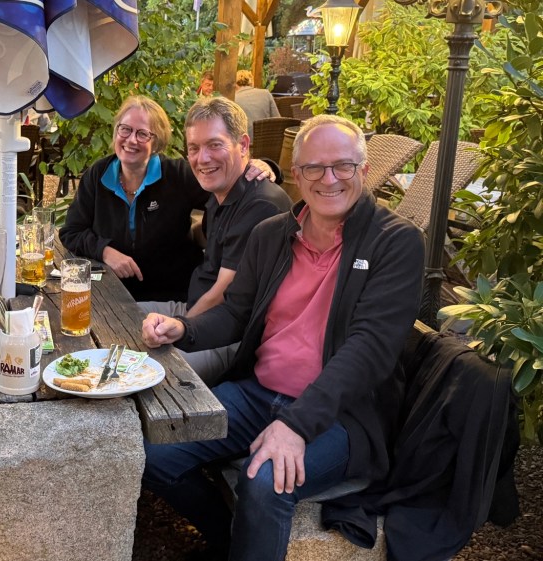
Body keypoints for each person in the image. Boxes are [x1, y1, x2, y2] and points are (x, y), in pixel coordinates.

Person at [139, 115, 425, 560]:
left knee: (267, 480)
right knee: (155, 455)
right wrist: (185, 329)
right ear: (297, 173)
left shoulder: (396, 242)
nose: (329, 179)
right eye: (314, 168)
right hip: (259, 395)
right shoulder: (272, 235)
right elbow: (236, 313)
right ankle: (232, 542)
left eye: (343, 166)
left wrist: (296, 425)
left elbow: (369, 349)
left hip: (341, 415)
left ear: (364, 170)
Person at [59, 95, 273, 303]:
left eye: (143, 134)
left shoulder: (177, 175)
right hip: (111, 294)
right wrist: (105, 252)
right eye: (125, 129)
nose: (131, 140)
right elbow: (72, 231)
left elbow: (228, 187)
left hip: (172, 295)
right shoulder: (98, 175)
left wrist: (266, 166)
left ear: (157, 142)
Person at [138, 97, 292, 384]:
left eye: (214, 144)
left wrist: (180, 327)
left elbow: (222, 294)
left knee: (146, 373)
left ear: (243, 145)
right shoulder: (222, 191)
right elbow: (205, 235)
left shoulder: (259, 205)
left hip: (228, 336)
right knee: (119, 315)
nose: (203, 158)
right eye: (194, 148)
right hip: (194, 311)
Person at [234, 69, 280, 137]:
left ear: (235, 84)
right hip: (267, 139)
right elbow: (278, 120)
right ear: (251, 82)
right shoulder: (266, 93)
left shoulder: (233, 99)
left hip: (244, 141)